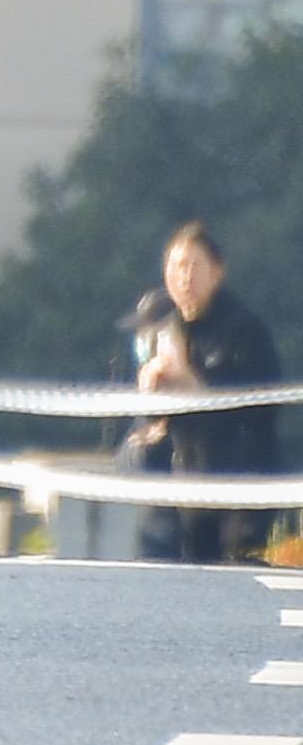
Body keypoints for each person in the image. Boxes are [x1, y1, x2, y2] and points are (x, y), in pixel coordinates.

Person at [136, 222, 286, 563]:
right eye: (176, 267)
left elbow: (263, 406)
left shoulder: (245, 330)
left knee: (238, 573)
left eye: (193, 266)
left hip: (243, 486)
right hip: (189, 485)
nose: (184, 277)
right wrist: (150, 397)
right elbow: (158, 421)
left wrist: (198, 388)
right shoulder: (165, 332)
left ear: (217, 272)